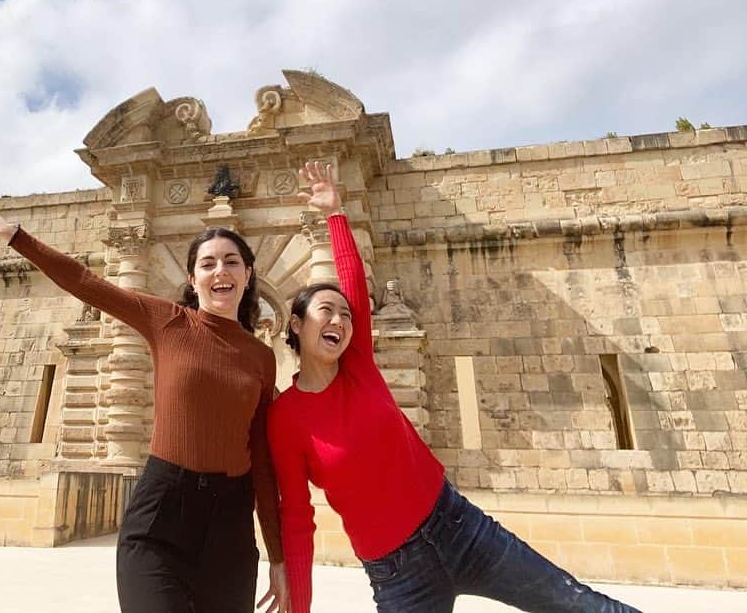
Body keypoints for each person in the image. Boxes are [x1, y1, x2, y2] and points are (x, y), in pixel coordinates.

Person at [267, 162, 641, 613]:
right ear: (296, 324)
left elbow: (354, 285)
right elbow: (296, 518)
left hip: (460, 527)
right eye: (326, 310)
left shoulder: (358, 366)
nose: (339, 320)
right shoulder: (285, 417)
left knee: (582, 605)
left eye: (346, 315)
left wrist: (336, 213)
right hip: (398, 573)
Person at [0, 214, 289, 613]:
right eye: (208, 263)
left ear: (248, 274)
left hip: (229, 524)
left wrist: (278, 557)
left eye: (232, 261)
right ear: (192, 279)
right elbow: (86, 283)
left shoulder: (262, 358)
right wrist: (16, 236)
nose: (221, 271)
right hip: (162, 511)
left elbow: (262, 459)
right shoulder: (168, 321)